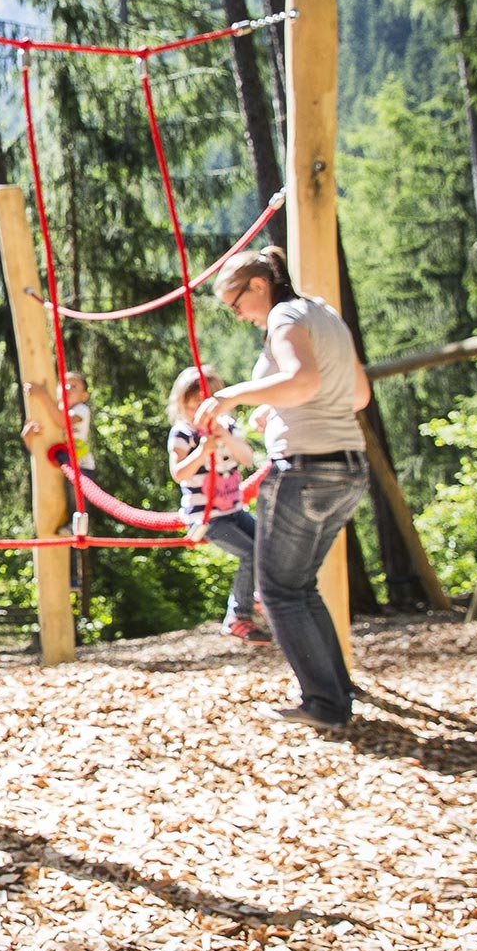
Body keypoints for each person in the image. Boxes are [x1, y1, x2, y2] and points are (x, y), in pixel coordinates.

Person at [192, 246, 372, 728]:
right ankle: (336, 693)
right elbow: (356, 393)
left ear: (258, 286)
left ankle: (326, 705)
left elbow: (303, 380)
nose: (238, 316)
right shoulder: (324, 314)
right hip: (349, 467)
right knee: (299, 588)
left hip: (305, 469)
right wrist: (279, 406)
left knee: (277, 592)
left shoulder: (285, 315)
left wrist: (231, 395)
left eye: (236, 303)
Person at [165, 364, 267, 643]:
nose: (200, 409)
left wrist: (225, 437)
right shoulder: (183, 433)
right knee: (250, 553)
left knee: (269, 543)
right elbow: (179, 473)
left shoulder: (228, 428)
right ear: (182, 405)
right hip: (206, 516)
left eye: (205, 402)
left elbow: (247, 459)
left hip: (233, 510)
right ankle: (238, 615)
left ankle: (260, 595)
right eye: (193, 403)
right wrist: (201, 452)